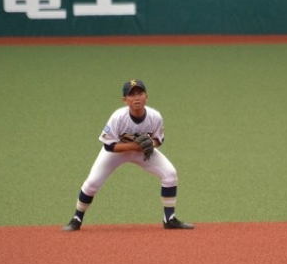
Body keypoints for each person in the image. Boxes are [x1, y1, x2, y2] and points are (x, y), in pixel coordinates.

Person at [62, 79, 194, 231]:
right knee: (92, 183)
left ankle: (169, 219)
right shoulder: (118, 117)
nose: (136, 97)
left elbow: (158, 140)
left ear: (146, 97)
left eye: (140, 93)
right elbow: (109, 145)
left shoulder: (155, 116)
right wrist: (134, 146)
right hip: (117, 152)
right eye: (132, 95)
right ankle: (77, 218)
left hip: (142, 153)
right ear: (125, 100)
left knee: (170, 174)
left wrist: (151, 144)